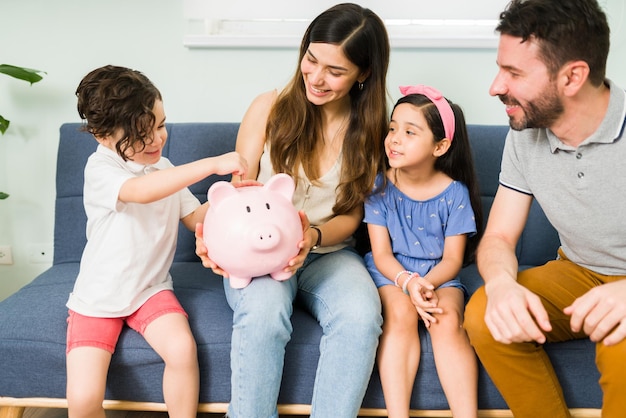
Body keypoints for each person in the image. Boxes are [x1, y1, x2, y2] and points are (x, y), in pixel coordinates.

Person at [194, 3, 390, 417]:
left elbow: (352, 216)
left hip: (327, 254)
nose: (316, 79)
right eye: (311, 60)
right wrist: (218, 242)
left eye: (335, 71)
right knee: (264, 314)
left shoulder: (372, 130)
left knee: (360, 317)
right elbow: (238, 190)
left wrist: (312, 238)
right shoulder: (269, 106)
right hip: (258, 256)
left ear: (364, 74)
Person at [462, 0, 626, 417]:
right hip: (579, 270)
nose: (495, 87)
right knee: (484, 314)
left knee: (620, 353)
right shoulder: (527, 131)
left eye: (514, 73)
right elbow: (499, 236)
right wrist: (501, 286)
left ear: (573, 76)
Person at [66, 65, 247, 418]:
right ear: (102, 135)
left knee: (182, 350)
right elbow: (141, 192)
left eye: (161, 126)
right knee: (84, 399)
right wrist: (212, 164)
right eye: (141, 134)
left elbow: (196, 219)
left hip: (151, 290)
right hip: (98, 298)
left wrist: (232, 199)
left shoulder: (164, 168)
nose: (157, 140)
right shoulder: (101, 170)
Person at [364, 85, 482, 418]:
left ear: (440, 146)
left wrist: (426, 284)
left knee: (446, 321)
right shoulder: (379, 187)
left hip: (439, 276)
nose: (394, 138)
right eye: (392, 128)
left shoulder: (455, 194)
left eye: (409, 132)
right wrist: (408, 283)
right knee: (400, 316)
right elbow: (382, 255)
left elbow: (453, 260)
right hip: (392, 274)